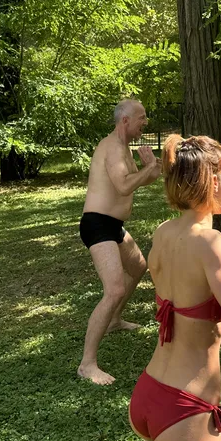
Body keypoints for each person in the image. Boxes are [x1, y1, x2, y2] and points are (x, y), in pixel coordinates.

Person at [129, 134, 221, 441]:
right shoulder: (208, 244)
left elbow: (184, 283)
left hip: (151, 391)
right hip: (183, 408)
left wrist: (216, 254)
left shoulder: (164, 231)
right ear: (211, 182)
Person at [77, 99, 161, 385]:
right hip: (97, 224)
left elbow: (134, 181)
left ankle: (114, 320)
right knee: (113, 290)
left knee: (138, 267)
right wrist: (147, 170)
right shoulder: (111, 147)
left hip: (114, 226)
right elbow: (125, 185)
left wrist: (150, 168)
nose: (145, 122)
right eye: (142, 117)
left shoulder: (124, 148)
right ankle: (87, 364)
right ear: (125, 120)